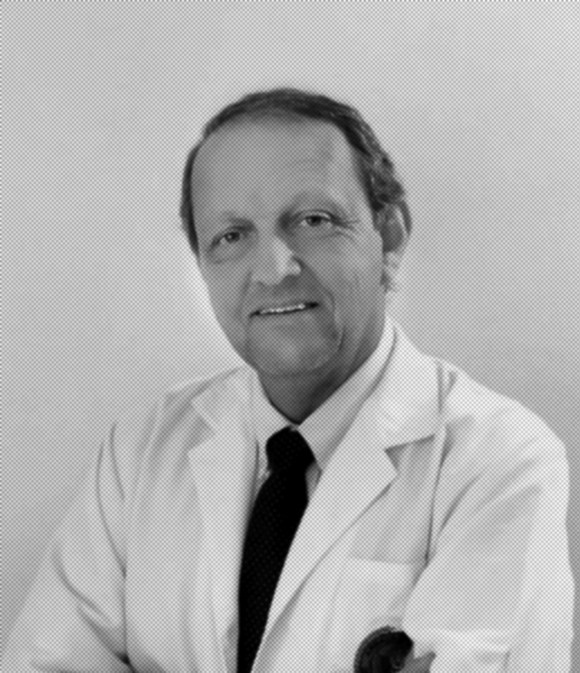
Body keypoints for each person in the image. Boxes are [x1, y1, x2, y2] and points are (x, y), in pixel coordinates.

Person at [3, 88, 573, 673]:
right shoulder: (140, 453)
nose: (274, 270)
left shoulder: (498, 460)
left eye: (313, 221)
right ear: (202, 265)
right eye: (231, 236)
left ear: (390, 238)